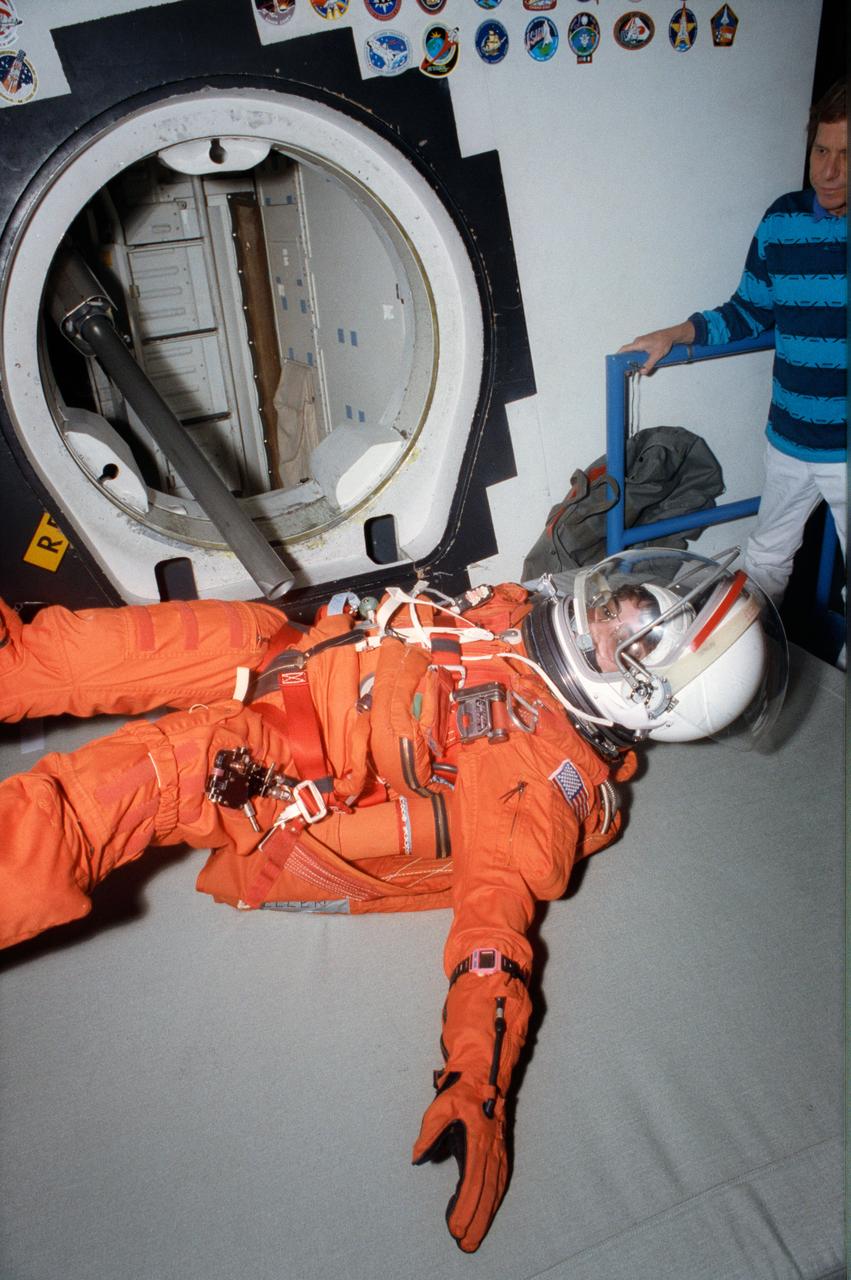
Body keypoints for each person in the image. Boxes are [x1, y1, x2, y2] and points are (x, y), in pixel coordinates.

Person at [0, 548, 786, 1251]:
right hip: (287, 648)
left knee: (103, 796)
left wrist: (476, 1082)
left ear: (648, 697)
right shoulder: (530, 620)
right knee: (62, 649)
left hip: (277, 761)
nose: (609, 612)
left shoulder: (535, 776)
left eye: (630, 633)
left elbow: (493, 923)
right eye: (629, 600)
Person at [619, 80, 847, 608]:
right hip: (789, 438)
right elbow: (748, 309)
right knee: (765, 558)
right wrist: (676, 334)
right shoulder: (782, 220)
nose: (829, 171)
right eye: (821, 150)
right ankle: (749, 661)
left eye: (845, 155)